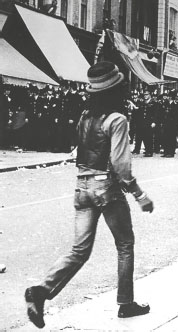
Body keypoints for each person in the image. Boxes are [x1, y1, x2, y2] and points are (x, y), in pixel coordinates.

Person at [24, 62, 154, 329]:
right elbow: (121, 166)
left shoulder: (85, 115)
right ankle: (126, 303)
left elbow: (80, 151)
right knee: (125, 244)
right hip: (106, 188)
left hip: (82, 186)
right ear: (117, 90)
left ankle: (41, 291)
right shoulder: (117, 119)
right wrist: (139, 195)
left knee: (79, 250)